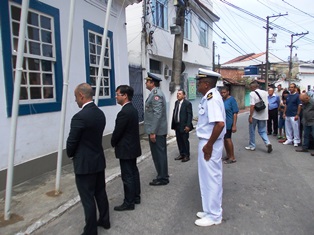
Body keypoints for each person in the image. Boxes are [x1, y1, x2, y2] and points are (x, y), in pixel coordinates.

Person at [66, 83, 110, 235]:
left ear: (81, 96)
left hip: (85, 164)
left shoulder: (79, 117)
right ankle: (105, 220)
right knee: (100, 192)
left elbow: (72, 142)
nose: (75, 101)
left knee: (87, 198)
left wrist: (70, 153)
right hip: (98, 159)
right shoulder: (99, 113)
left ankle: (90, 230)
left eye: (75, 97)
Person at [194, 68, 226, 227]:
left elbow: (220, 124)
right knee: (205, 178)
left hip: (210, 144)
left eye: (199, 83)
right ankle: (208, 210)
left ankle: (214, 215)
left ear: (206, 84)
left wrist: (209, 146)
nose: (197, 85)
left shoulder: (212, 98)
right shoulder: (208, 96)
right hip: (207, 142)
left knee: (212, 179)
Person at [111, 85, 141, 211]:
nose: (116, 97)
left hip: (126, 148)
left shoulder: (124, 113)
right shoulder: (133, 110)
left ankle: (129, 202)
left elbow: (118, 132)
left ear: (125, 96)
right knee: (133, 172)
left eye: (118, 94)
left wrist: (113, 142)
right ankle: (136, 196)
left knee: (127, 175)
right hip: (132, 147)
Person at [144, 72, 169, 186]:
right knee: (159, 154)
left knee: (159, 154)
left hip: (157, 131)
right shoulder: (154, 93)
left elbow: (157, 114)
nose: (145, 83)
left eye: (147, 81)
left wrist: (153, 131)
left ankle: (162, 177)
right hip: (157, 130)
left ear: (152, 82)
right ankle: (162, 174)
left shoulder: (155, 95)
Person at [245, 82, 273, 153]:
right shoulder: (265, 92)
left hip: (255, 115)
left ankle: (252, 145)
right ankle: (267, 143)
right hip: (264, 115)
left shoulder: (252, 93)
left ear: (252, 87)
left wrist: (250, 116)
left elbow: (252, 105)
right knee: (262, 130)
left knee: (252, 130)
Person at [171, 89, 193, 162]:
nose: (178, 95)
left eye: (180, 94)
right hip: (177, 125)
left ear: (184, 95)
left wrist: (188, 126)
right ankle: (181, 154)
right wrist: (173, 125)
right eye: (177, 94)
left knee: (184, 140)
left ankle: (187, 155)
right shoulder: (176, 103)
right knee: (179, 140)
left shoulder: (187, 103)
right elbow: (175, 113)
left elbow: (190, 115)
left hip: (184, 125)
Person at [220, 86, 238, 164]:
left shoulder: (232, 100)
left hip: (229, 123)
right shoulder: (222, 100)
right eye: (221, 93)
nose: (223, 94)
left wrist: (234, 125)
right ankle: (228, 155)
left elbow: (235, 113)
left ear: (228, 92)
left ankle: (232, 157)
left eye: (224, 92)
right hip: (223, 124)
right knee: (224, 139)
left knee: (228, 139)